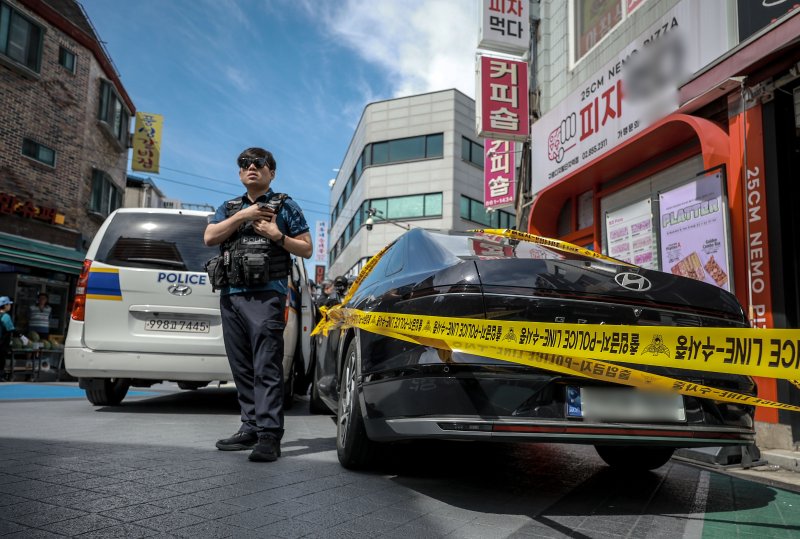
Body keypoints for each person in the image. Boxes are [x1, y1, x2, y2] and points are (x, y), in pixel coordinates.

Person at [204, 147, 312, 462]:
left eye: (259, 163)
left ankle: (268, 435)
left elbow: (306, 249)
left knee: (266, 365)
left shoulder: (286, 206)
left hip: (268, 295)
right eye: (245, 164)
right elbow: (209, 237)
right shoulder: (230, 207)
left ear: (271, 173)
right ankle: (249, 427)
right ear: (240, 173)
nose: (252, 167)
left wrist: (278, 236)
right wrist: (245, 216)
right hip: (232, 295)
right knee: (241, 366)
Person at [0, 296, 15, 382]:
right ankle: (1, 376)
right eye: (9, 304)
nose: (10, 306)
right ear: (5, 305)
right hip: (2, 342)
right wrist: (21, 336)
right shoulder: (6, 316)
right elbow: (11, 329)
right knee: (1, 359)